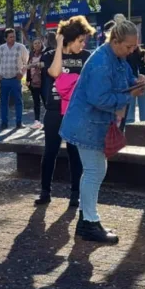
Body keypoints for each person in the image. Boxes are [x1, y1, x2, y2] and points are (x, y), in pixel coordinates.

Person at [60, 19, 145, 244]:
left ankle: (86, 221)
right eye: (129, 47)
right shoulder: (101, 62)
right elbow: (99, 98)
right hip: (86, 124)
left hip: (93, 124)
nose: (132, 51)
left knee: (95, 170)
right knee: (94, 171)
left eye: (134, 47)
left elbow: (127, 79)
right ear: (115, 41)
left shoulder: (116, 57)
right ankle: (89, 222)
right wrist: (130, 95)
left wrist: (139, 82)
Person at [36, 16, 92, 208]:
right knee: (50, 151)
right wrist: (60, 47)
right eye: (80, 40)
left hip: (75, 112)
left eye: (84, 41)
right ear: (70, 38)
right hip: (54, 111)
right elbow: (54, 73)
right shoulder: (50, 55)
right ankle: (45, 191)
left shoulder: (86, 57)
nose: (83, 44)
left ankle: (75, 193)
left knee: (74, 153)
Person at [0, 28, 29, 129]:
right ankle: (4, 122)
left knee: (18, 101)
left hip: (15, 79)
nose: (13, 38)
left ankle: (19, 122)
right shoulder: (1, 48)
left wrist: (22, 73)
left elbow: (26, 62)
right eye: (10, 37)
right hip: (4, 79)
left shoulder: (21, 47)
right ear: (6, 38)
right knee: (3, 102)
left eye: (14, 36)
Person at [124, 39, 145, 124]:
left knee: (144, 106)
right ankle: (130, 124)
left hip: (142, 82)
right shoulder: (125, 54)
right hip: (131, 84)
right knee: (131, 106)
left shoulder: (140, 53)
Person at [26, 38, 46, 129]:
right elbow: (28, 68)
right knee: (36, 103)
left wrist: (34, 65)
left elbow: (44, 65)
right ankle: (37, 121)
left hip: (43, 82)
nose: (37, 45)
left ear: (41, 44)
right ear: (33, 45)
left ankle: (47, 121)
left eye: (38, 43)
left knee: (46, 102)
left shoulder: (45, 54)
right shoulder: (31, 54)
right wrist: (28, 80)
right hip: (33, 82)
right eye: (35, 43)